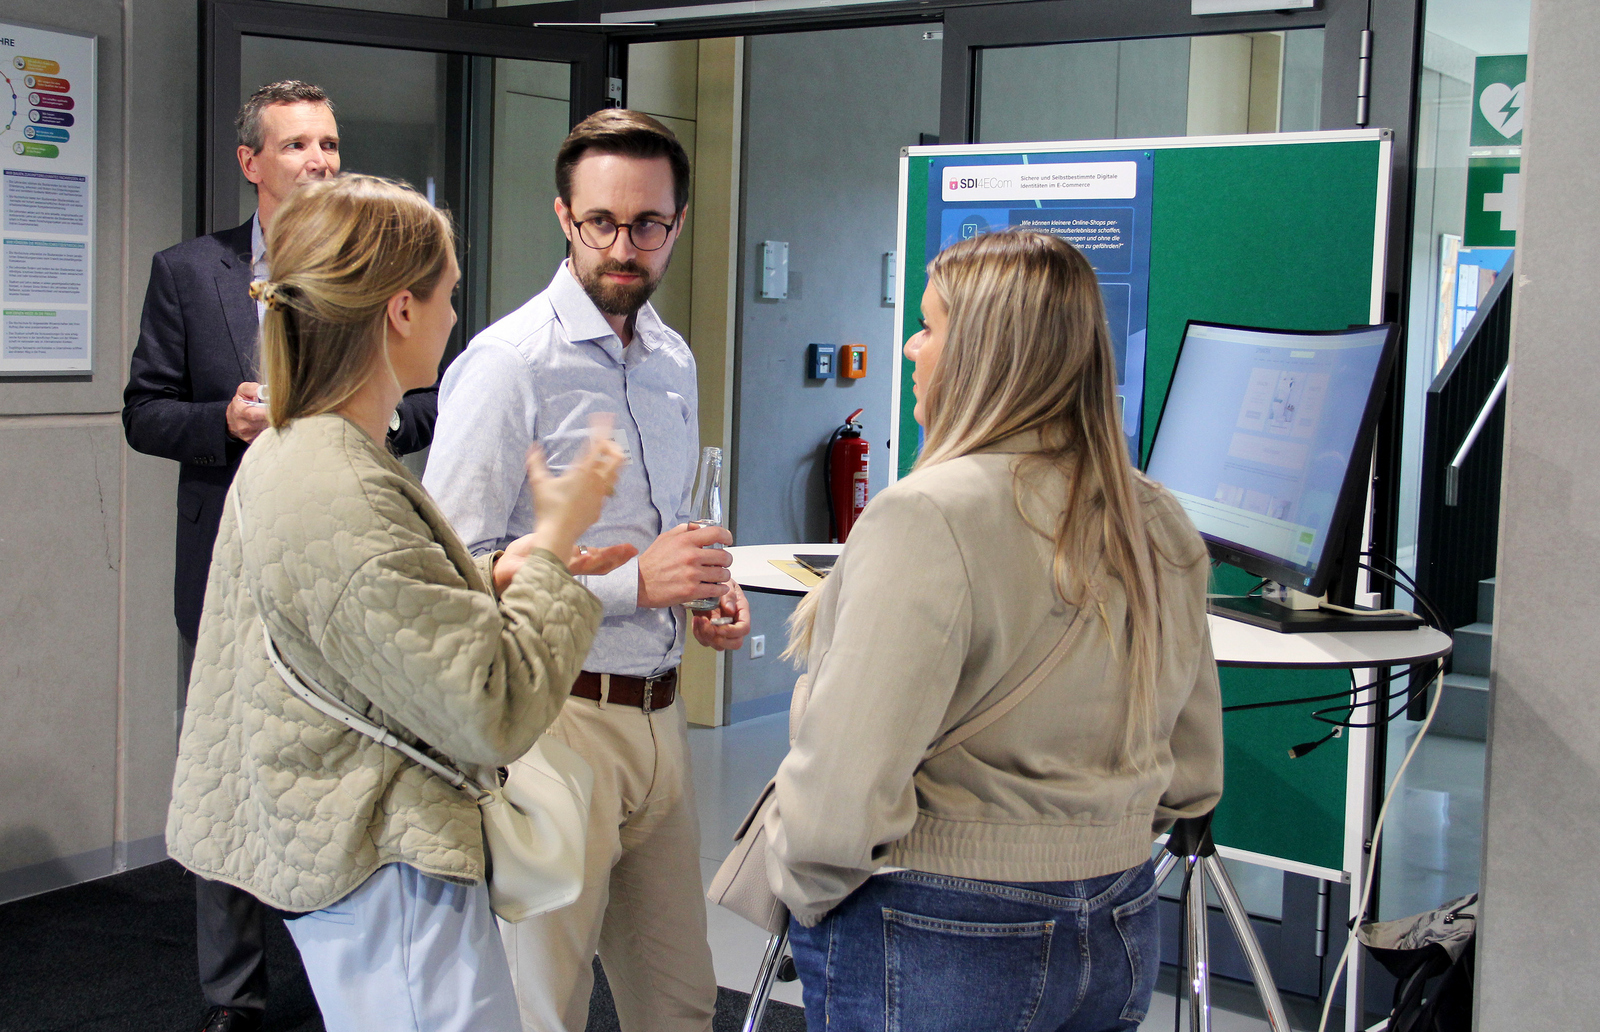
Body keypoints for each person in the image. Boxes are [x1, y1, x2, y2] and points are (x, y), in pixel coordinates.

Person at [165, 173, 634, 1032]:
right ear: (401, 312)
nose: (457, 317)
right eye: (449, 294)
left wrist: (490, 575)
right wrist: (555, 547)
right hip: (389, 862)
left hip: (354, 851)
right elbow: (492, 710)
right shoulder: (338, 483)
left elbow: (360, 619)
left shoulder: (297, 450)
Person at [766, 229, 1226, 1031]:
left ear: (987, 355)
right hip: (1117, 924)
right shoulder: (1155, 519)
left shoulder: (927, 516)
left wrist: (804, 889)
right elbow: (1191, 773)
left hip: (939, 930)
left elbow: (841, 797)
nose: (911, 348)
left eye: (929, 326)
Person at [423, 109, 748, 1032]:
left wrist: (704, 593)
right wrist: (632, 585)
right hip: (552, 725)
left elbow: (665, 532)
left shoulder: (672, 360)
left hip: (660, 719)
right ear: (564, 217)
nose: (623, 247)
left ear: (678, 224)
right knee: (544, 1011)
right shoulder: (508, 364)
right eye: (601, 222)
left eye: (648, 224)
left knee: (680, 1004)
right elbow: (452, 571)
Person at [122, 80, 436, 1032]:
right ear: (250, 162)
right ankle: (235, 994)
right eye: (297, 144)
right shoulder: (188, 273)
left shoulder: (376, 265)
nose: (320, 160)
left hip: (342, 558)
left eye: (329, 143)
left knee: (347, 767)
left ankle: (353, 974)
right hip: (227, 561)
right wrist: (223, 419)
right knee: (229, 769)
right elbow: (143, 412)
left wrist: (369, 423)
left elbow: (429, 395)